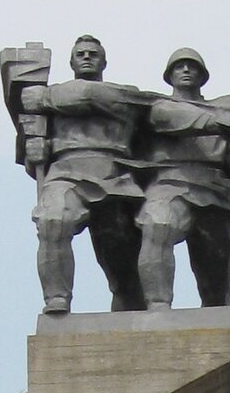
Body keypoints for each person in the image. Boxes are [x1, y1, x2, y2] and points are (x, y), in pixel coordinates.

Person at [17, 36, 148, 313]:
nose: (87, 57)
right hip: (65, 172)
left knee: (120, 256)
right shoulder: (44, 103)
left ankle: (129, 302)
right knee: (52, 221)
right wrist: (36, 149)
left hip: (115, 175)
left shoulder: (123, 94)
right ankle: (57, 298)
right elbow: (30, 156)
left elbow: (91, 97)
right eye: (81, 54)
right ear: (71, 62)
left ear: (104, 62)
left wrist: (45, 98)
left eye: (92, 53)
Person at [137, 48, 230, 309]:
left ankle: (216, 311)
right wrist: (224, 122)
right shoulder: (158, 107)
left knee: (216, 280)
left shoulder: (229, 111)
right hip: (168, 184)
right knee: (157, 223)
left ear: (203, 75)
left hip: (216, 190)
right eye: (179, 66)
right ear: (169, 75)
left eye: (192, 66)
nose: (186, 70)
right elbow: (171, 118)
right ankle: (157, 306)